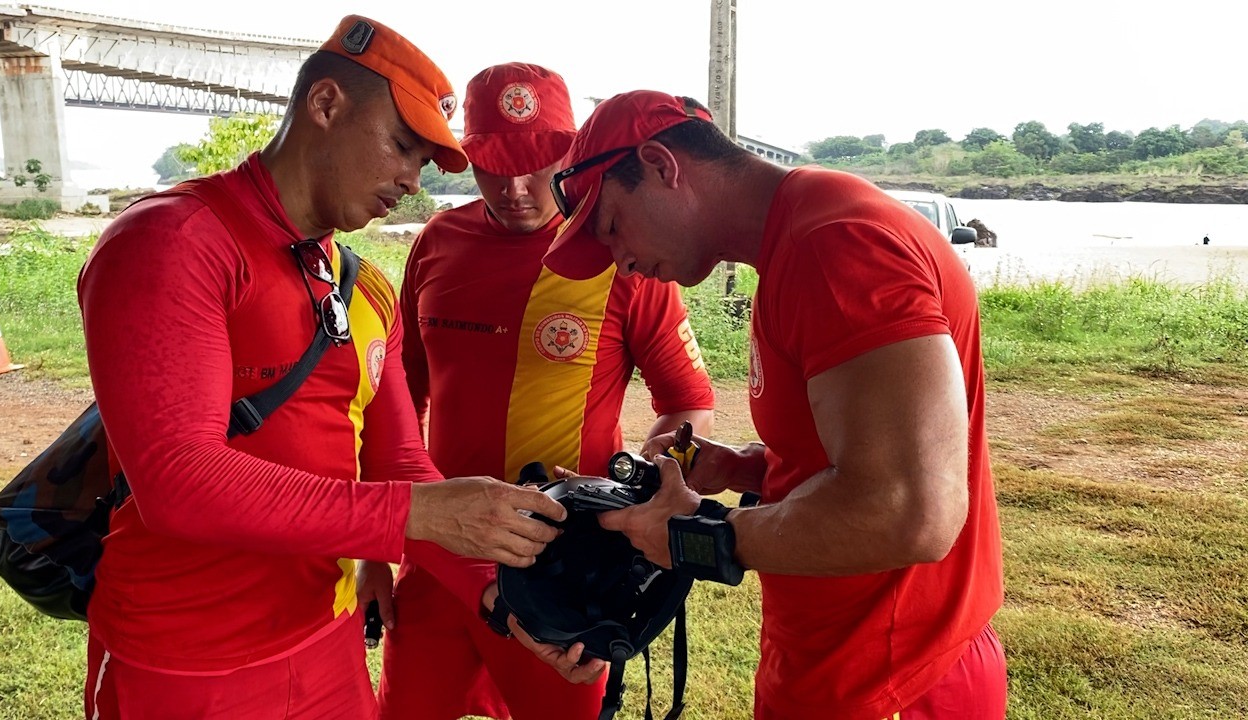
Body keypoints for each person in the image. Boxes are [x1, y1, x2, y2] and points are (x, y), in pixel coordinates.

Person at [76, 17, 572, 720]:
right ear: (327, 104)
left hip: (328, 645)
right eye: (402, 146)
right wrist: (416, 512)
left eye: (423, 161)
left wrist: (503, 598)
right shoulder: (175, 241)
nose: (411, 179)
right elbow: (177, 480)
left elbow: (399, 459)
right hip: (185, 661)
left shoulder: (362, 285)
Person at [530, 90, 1007, 719]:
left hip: (890, 673)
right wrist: (743, 468)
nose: (624, 264)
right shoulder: (799, 240)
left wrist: (691, 538)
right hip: (835, 655)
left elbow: (908, 511)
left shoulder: (836, 247)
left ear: (662, 166)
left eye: (613, 226)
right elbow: (855, 456)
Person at [365, 63, 716, 720]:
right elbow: (399, 407)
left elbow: (686, 400)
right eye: (495, 164)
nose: (518, 187)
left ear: (573, 152)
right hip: (438, 556)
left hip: (563, 571)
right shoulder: (439, 242)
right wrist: (375, 553)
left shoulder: (623, 251)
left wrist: (644, 490)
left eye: (538, 162)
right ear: (467, 154)